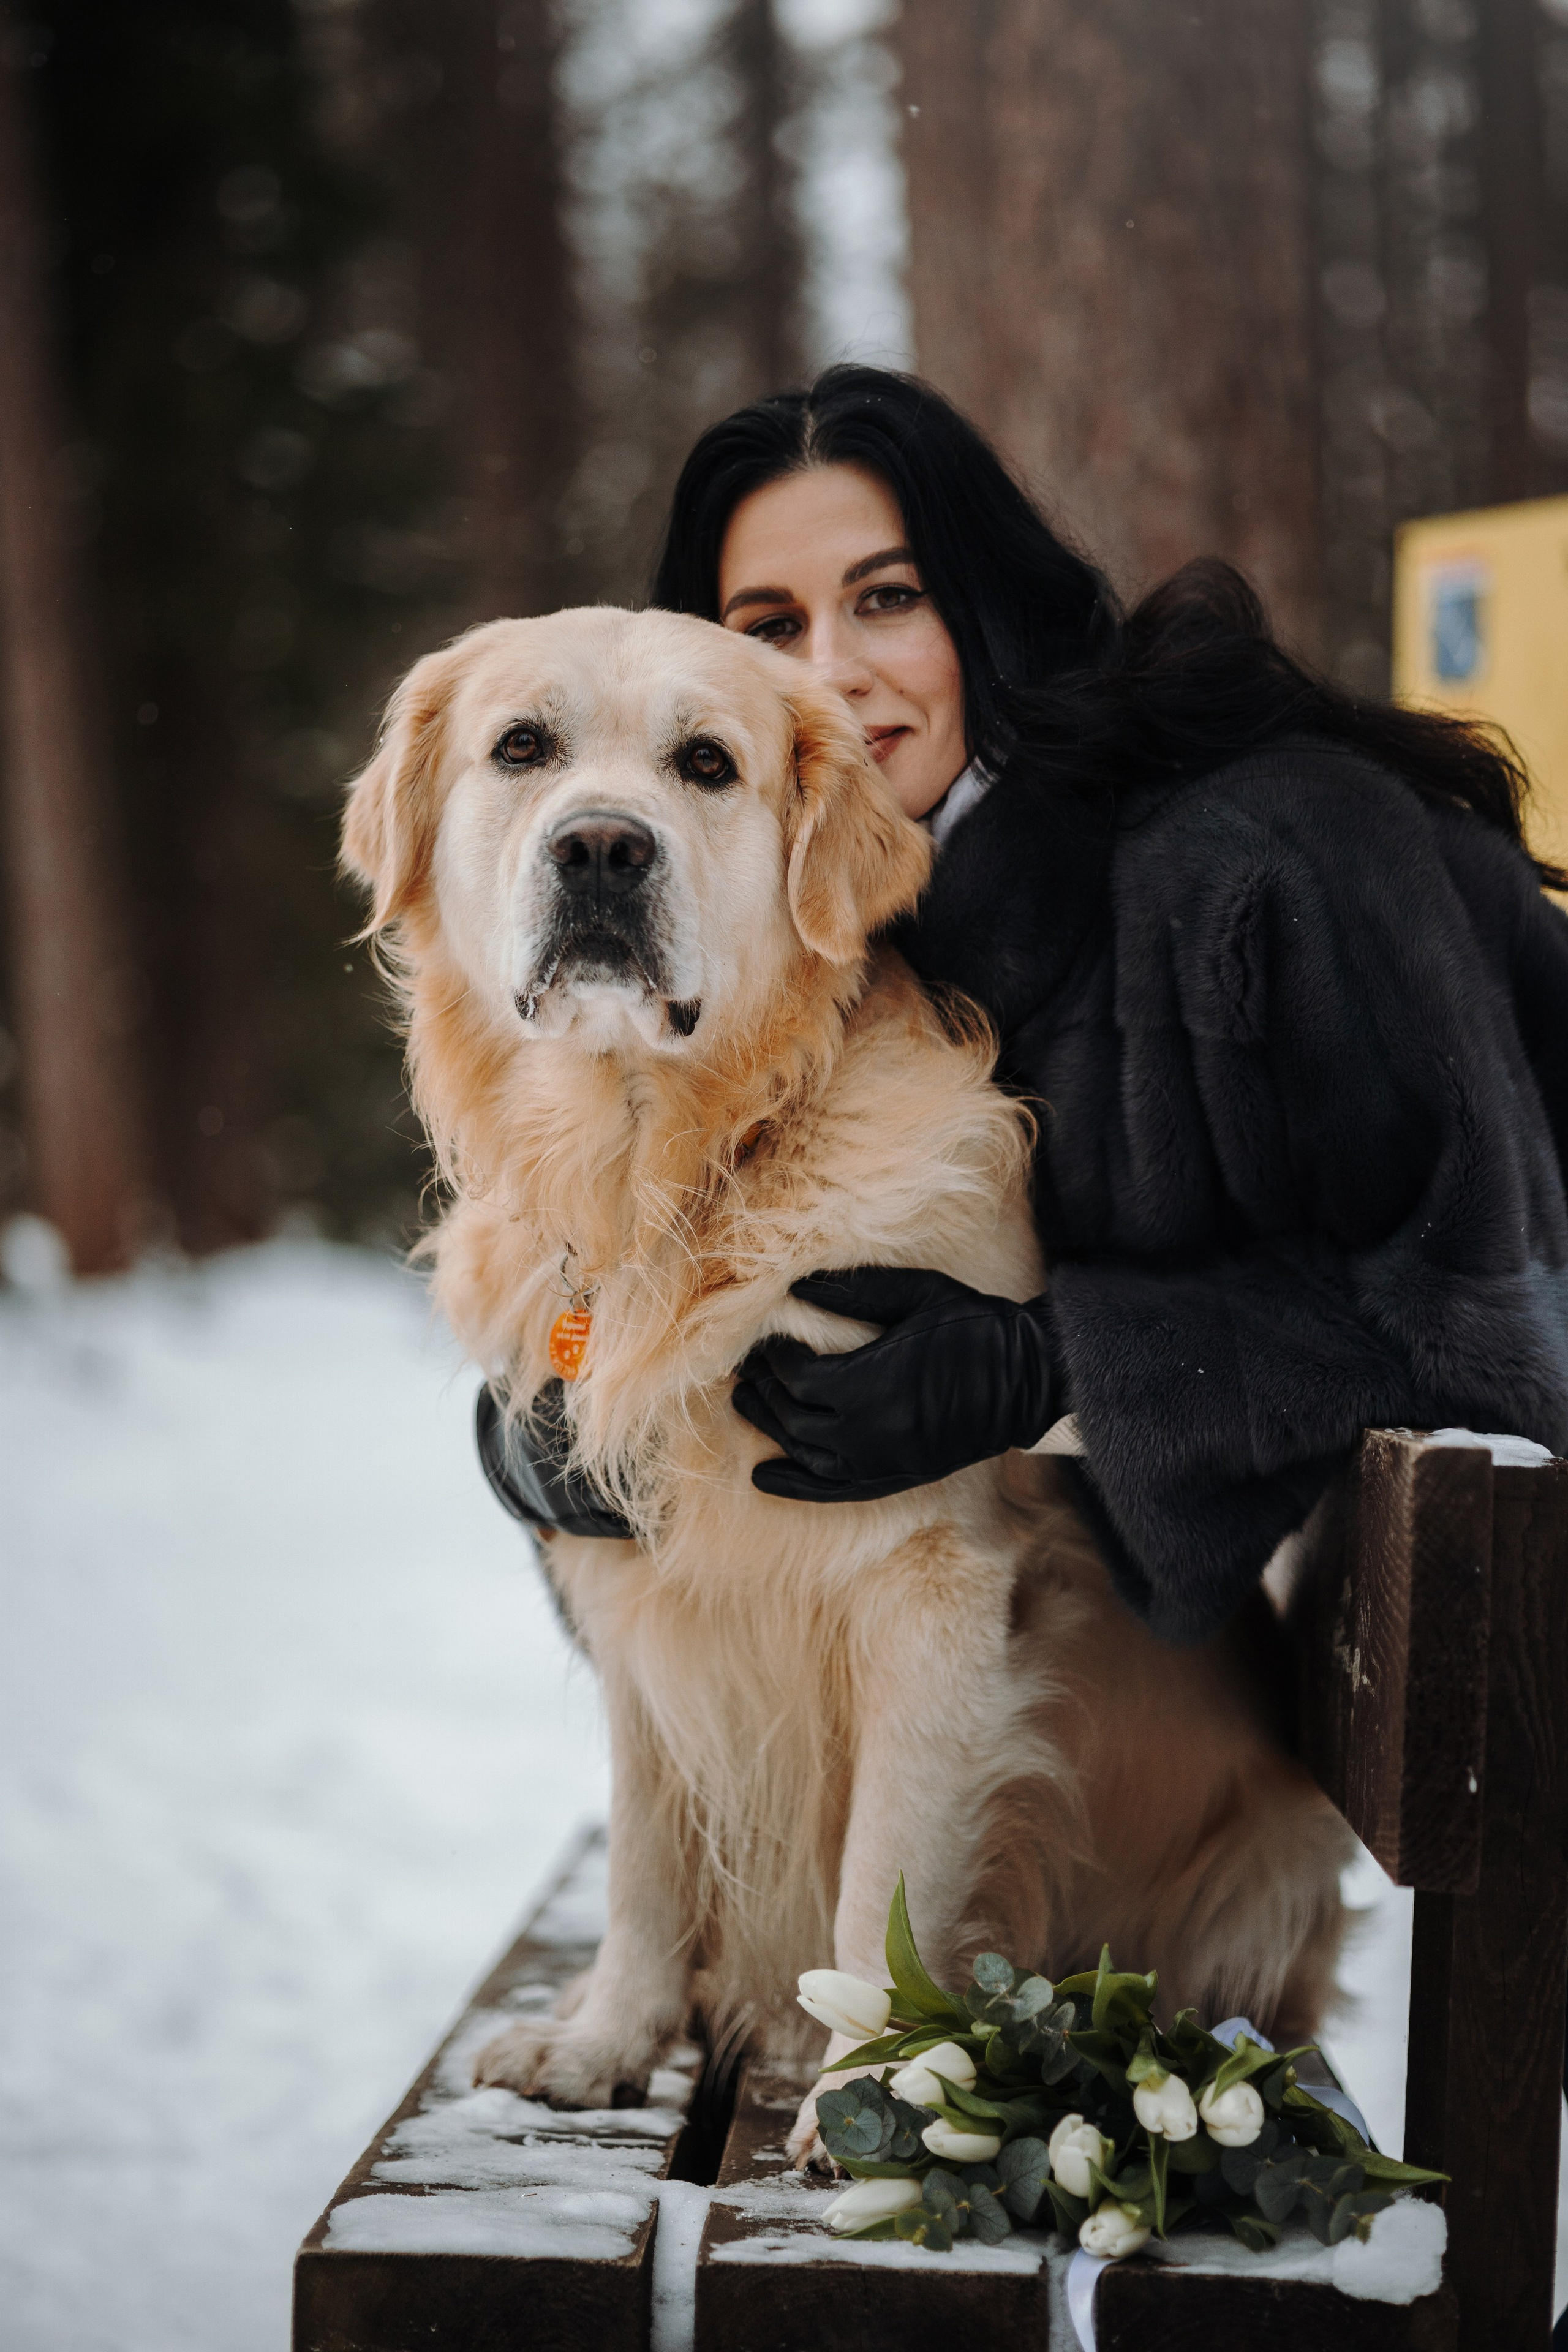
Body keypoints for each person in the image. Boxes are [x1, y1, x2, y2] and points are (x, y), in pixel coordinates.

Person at [478, 361, 1568, 1649]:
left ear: (987, 605)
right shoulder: (807, 942)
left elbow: (1485, 1330)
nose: (828, 674)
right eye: (765, 628)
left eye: (887, 599)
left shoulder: (1267, 861)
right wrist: (551, 1424)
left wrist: (1044, 1372)